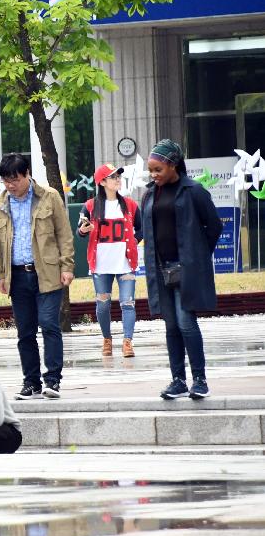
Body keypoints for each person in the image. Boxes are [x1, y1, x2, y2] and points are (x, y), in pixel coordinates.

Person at [141, 139, 223, 400]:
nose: (154, 175)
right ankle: (177, 380)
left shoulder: (193, 190)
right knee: (171, 326)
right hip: (161, 268)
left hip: (187, 268)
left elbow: (214, 226)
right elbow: (140, 228)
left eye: (158, 170)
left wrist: (198, 257)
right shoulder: (149, 194)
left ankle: (200, 380)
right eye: (150, 171)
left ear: (173, 165)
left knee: (186, 322)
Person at [0, 153, 75, 400]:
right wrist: (1, 274)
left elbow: (64, 234)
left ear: (27, 174)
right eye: (6, 180)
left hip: (47, 272)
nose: (10, 185)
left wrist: (67, 266)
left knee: (49, 324)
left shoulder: (49, 197)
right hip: (17, 275)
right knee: (25, 331)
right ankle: (31, 382)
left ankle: (53, 380)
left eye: (15, 179)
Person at [77, 164, 143, 358]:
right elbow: (80, 230)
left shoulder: (130, 205)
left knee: (128, 303)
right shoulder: (90, 206)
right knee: (103, 304)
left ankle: (127, 342)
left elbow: (141, 228)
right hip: (101, 264)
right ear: (102, 182)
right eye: (113, 177)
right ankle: (107, 339)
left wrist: (134, 240)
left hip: (125, 262)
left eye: (118, 176)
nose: (117, 179)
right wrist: (83, 230)